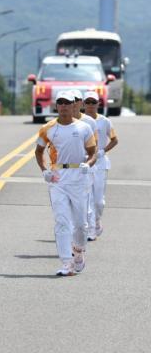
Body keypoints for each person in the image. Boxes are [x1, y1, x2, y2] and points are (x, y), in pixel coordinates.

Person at [35, 91, 96, 276]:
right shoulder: (48, 128)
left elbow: (92, 152)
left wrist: (88, 163)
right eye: (60, 103)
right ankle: (66, 263)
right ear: (56, 106)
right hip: (58, 177)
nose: (63, 106)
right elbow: (38, 152)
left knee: (80, 224)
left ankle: (78, 250)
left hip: (79, 176)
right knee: (62, 221)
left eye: (67, 103)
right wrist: (44, 170)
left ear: (73, 106)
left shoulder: (84, 128)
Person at [83, 91, 118, 240]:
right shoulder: (78, 121)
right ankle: (90, 230)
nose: (90, 105)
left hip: (101, 163)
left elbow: (115, 140)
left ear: (98, 104)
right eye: (88, 102)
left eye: (93, 102)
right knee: (87, 199)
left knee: (99, 201)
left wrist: (103, 151)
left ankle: (97, 221)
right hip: (84, 164)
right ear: (83, 104)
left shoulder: (105, 121)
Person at [70, 90, 98, 241]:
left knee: (87, 200)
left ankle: (90, 230)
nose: (73, 103)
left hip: (86, 166)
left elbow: (95, 145)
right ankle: (75, 231)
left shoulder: (89, 122)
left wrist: (88, 162)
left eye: (76, 100)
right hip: (68, 170)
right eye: (71, 100)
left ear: (81, 102)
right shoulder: (61, 121)